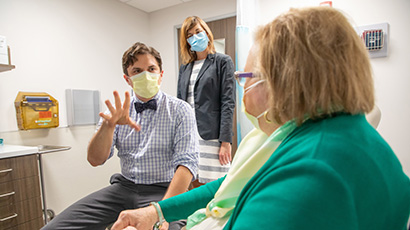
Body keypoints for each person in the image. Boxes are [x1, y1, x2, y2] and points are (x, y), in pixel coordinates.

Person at [111, 7, 410, 230]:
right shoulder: (291, 134)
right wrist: (157, 211)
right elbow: (232, 183)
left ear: (283, 83)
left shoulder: (311, 177)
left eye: (245, 77)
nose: (242, 88)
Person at [42, 42, 199, 230]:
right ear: (128, 79)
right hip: (123, 188)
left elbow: (187, 165)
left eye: (151, 69)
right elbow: (94, 159)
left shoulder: (181, 110)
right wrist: (109, 126)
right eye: (137, 71)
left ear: (161, 75)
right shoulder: (116, 112)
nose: (146, 75)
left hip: (164, 190)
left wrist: (161, 212)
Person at [177, 16, 236, 184]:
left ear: (206, 33)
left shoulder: (222, 62)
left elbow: (228, 102)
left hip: (212, 137)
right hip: (189, 136)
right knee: (192, 183)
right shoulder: (185, 68)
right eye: (189, 35)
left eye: (198, 32)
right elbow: (181, 104)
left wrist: (226, 141)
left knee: (216, 186)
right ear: (186, 41)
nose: (194, 37)